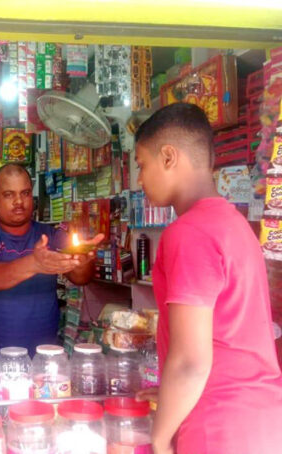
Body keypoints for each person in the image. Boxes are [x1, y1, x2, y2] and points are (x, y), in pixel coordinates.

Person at [134, 103, 282, 454]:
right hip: (259, 420)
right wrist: (172, 398)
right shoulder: (234, 224)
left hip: (218, 426)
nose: (139, 179)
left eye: (141, 165)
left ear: (168, 157)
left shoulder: (188, 233)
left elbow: (191, 362)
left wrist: (160, 437)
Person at [0, 163, 102, 356]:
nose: (19, 201)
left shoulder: (51, 236)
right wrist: (35, 263)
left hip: (43, 355)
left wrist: (82, 260)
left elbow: (81, 278)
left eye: (25, 193)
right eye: (9, 194)